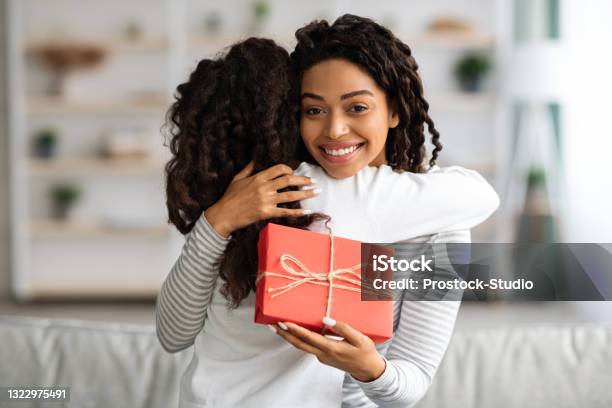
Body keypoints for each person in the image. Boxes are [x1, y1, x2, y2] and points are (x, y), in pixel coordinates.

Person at [157, 19, 498, 408]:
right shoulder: (278, 192)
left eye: (357, 107)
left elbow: (411, 381)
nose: (335, 130)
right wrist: (216, 223)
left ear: (394, 110)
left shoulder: (437, 220)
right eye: (314, 109)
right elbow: (173, 332)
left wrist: (371, 369)